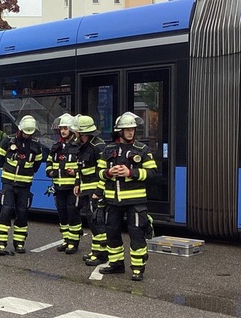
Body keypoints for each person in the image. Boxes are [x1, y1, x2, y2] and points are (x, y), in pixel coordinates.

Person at [97, 112, 158, 281]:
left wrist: (131, 173)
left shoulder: (142, 149)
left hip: (135, 201)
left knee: (136, 234)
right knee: (112, 233)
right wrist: (109, 172)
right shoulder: (108, 150)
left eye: (132, 129)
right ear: (120, 131)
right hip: (112, 200)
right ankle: (116, 264)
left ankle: (138, 269)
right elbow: (99, 173)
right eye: (127, 130)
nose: (131, 132)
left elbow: (153, 173)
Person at [0, 115, 45, 255]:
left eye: (30, 133)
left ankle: (19, 243)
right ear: (20, 129)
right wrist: (6, 170)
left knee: (22, 213)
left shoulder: (36, 145)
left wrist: (26, 174)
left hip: (25, 185)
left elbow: (37, 164)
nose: (28, 136)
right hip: (8, 183)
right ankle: (1, 243)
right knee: (6, 210)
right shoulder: (8, 140)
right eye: (25, 133)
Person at [74, 115, 108, 266]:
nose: (74, 133)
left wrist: (98, 191)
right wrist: (77, 183)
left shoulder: (98, 147)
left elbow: (104, 171)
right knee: (91, 221)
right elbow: (80, 168)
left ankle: (102, 254)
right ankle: (96, 251)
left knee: (97, 222)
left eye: (76, 131)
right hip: (87, 190)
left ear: (82, 132)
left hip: (95, 191)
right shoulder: (83, 146)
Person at [46, 113, 81, 254]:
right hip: (59, 187)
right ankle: (66, 239)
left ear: (71, 129)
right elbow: (49, 162)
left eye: (65, 128)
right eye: (61, 128)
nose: (63, 131)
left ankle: (74, 242)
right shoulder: (56, 147)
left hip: (72, 187)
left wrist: (75, 172)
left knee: (73, 213)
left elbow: (84, 166)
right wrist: (50, 171)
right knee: (62, 213)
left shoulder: (78, 146)